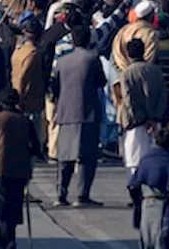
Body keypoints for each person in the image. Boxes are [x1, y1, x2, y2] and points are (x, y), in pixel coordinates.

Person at [51, 24, 106, 207]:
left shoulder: (62, 61)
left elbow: (55, 87)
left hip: (66, 112)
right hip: (88, 112)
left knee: (64, 156)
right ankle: (82, 195)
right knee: (86, 157)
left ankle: (61, 194)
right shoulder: (92, 59)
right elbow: (101, 82)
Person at [0, 87, 40, 249]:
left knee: (0, 209)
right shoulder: (25, 121)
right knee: (14, 207)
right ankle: (8, 239)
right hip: (20, 170)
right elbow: (36, 147)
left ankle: (7, 242)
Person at [116, 37, 169, 179]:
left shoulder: (126, 73)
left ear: (128, 54)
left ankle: (135, 188)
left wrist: (139, 117)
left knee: (133, 159)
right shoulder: (156, 70)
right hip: (155, 122)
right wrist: (155, 116)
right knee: (153, 156)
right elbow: (163, 95)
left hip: (135, 123)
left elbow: (128, 100)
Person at [128, 126, 169, 249]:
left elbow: (133, 185)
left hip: (146, 203)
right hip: (164, 204)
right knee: (163, 239)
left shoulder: (146, 159)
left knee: (146, 238)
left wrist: (138, 202)